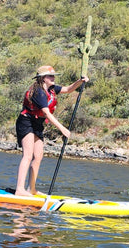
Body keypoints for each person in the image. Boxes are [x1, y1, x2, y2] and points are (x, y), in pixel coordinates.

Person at [14, 65, 89, 196]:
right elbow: (47, 113)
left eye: (53, 75)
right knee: (28, 155)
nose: (53, 78)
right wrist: (62, 129)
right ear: (43, 78)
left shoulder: (51, 89)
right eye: (50, 76)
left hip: (37, 124)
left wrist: (80, 81)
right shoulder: (38, 92)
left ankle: (31, 189)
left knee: (38, 156)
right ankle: (19, 189)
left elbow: (67, 89)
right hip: (26, 122)